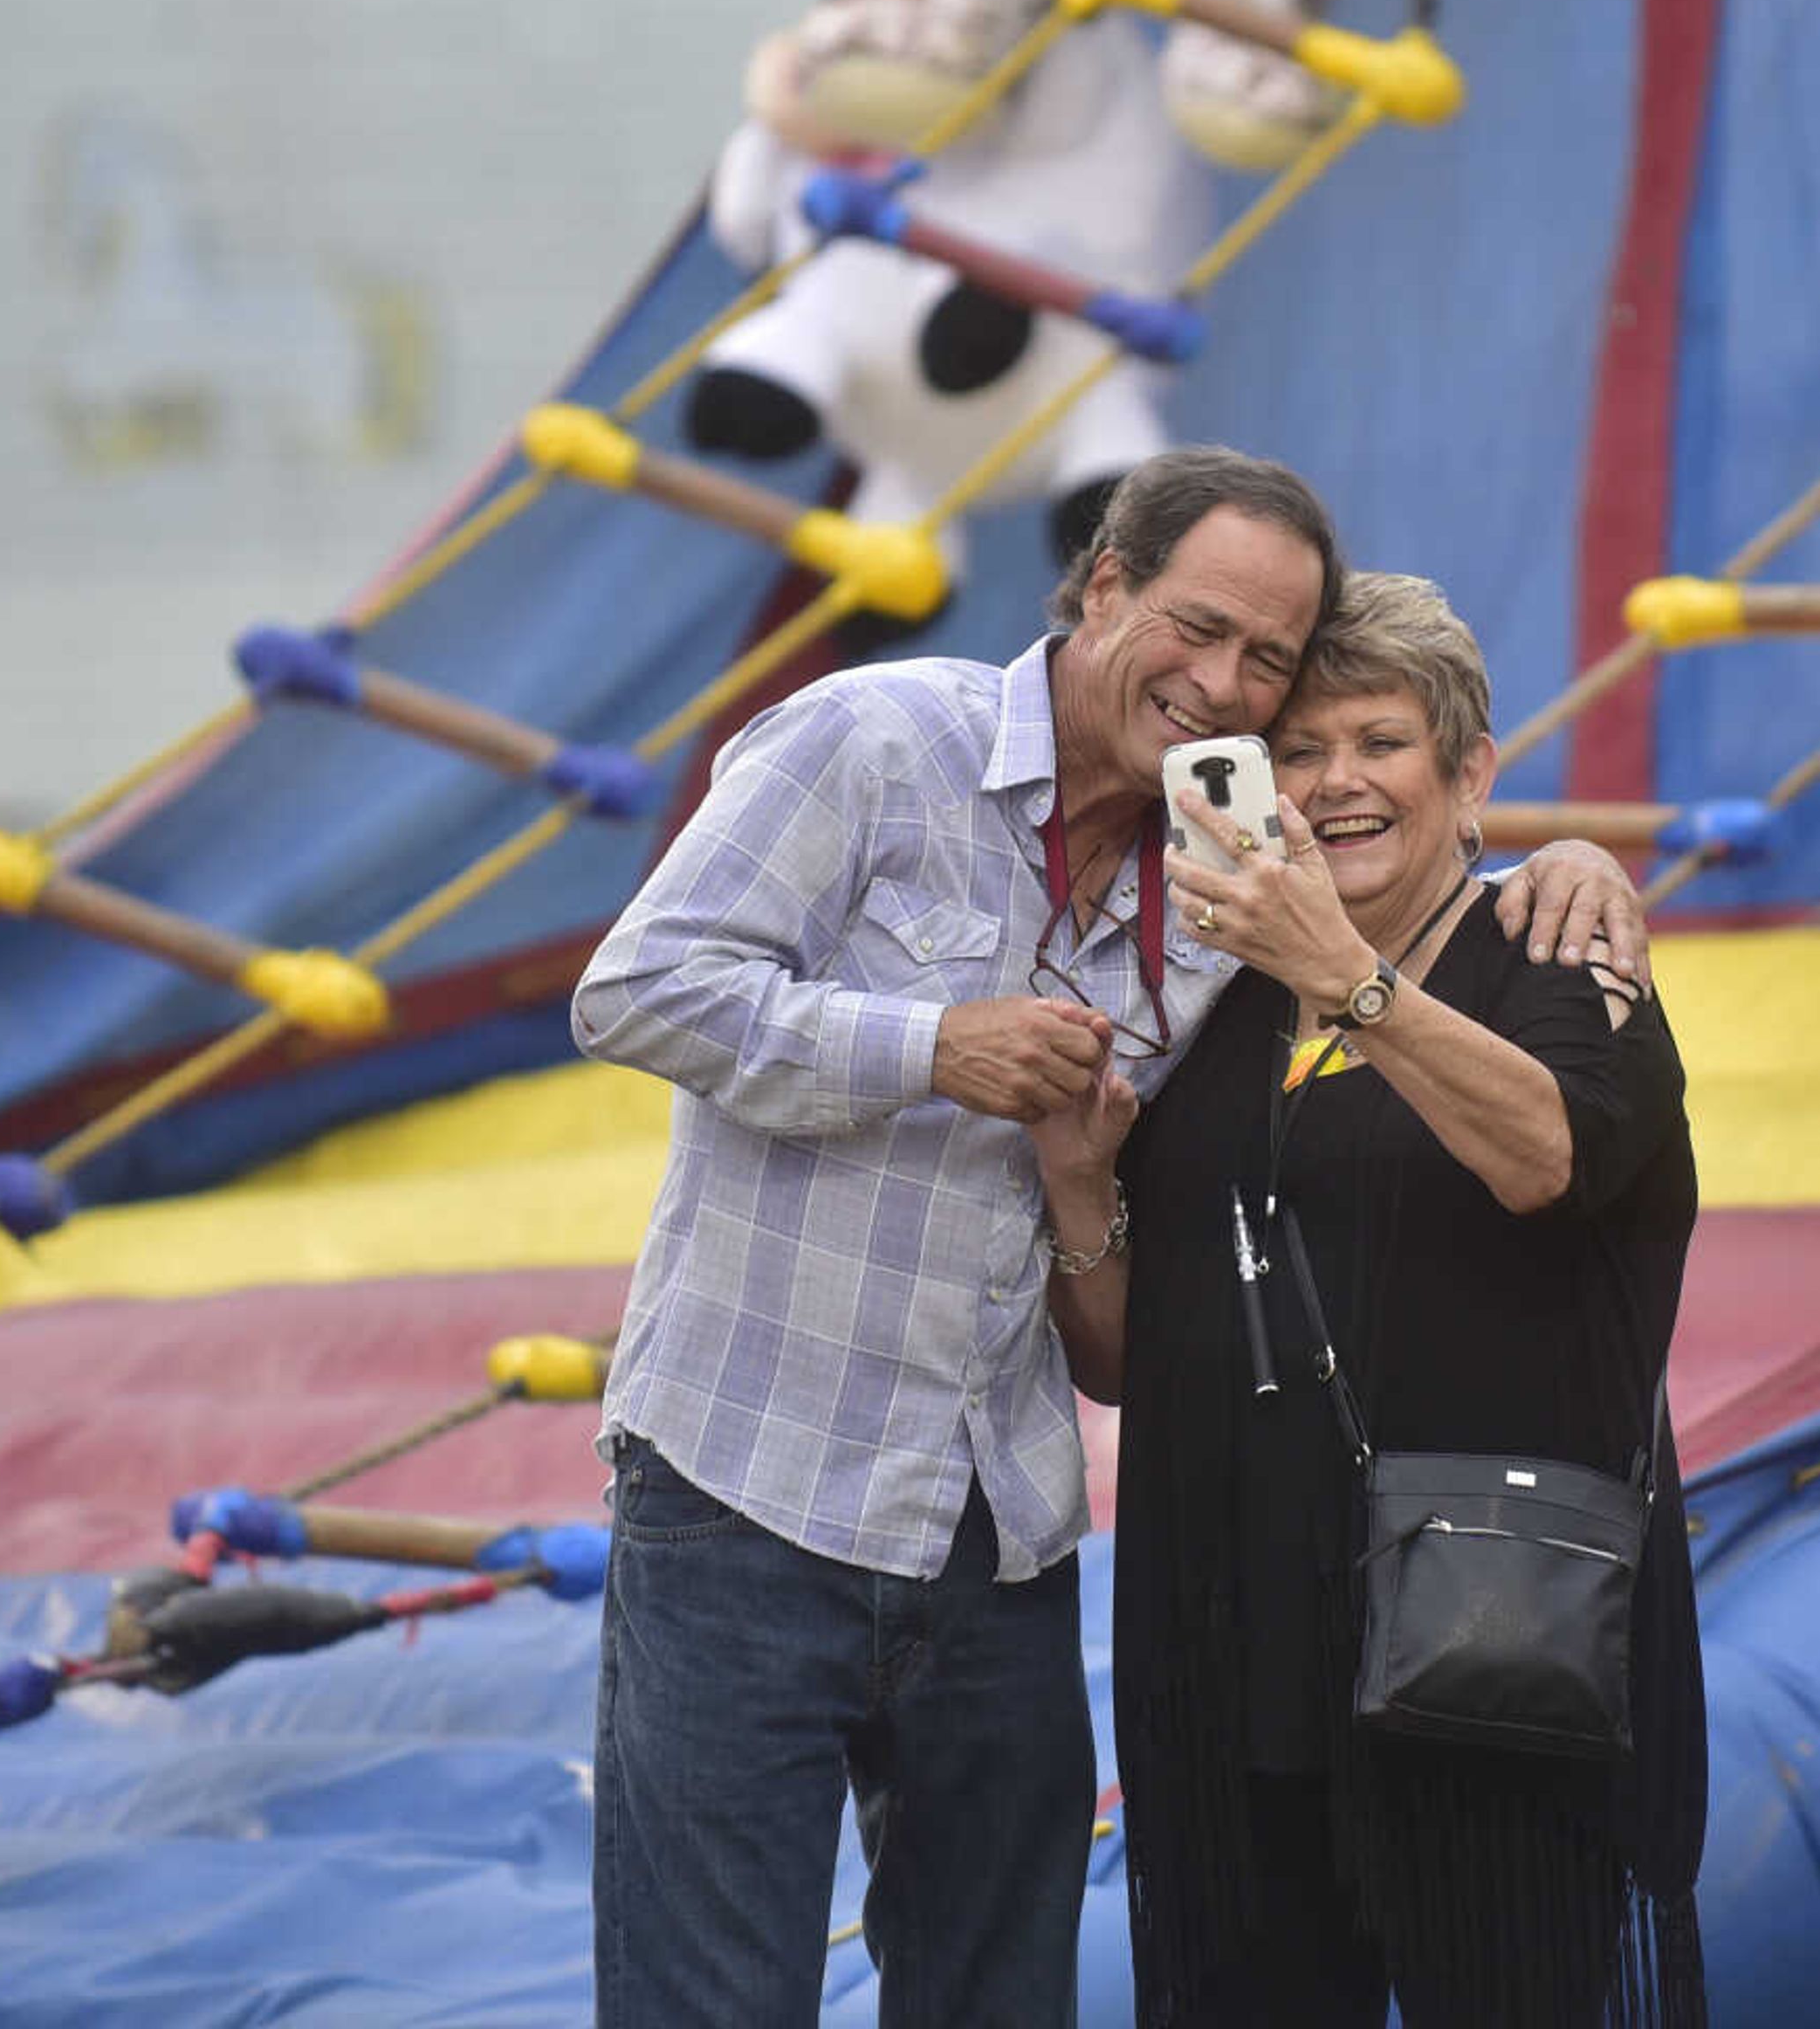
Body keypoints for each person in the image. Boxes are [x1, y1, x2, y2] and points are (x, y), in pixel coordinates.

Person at [570, 448, 1649, 2026]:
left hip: (998, 1534)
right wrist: (933, 1046)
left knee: (1002, 2003)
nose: (1219, 684)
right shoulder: (874, 739)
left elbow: (1399, 865)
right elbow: (634, 989)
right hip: (750, 1489)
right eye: (1195, 627)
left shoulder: (1217, 885)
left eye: (1263, 663)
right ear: (1104, 588)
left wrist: (1560, 864)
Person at [1041, 571, 1707, 2028]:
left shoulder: (1555, 958)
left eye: (1382, 743)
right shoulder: (1206, 1014)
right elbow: (1127, 1363)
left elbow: (1552, 1157)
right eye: (1300, 751)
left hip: (1488, 1638)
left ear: (1468, 777)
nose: (1337, 782)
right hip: (1234, 1648)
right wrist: (1081, 1186)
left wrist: (1347, 977)